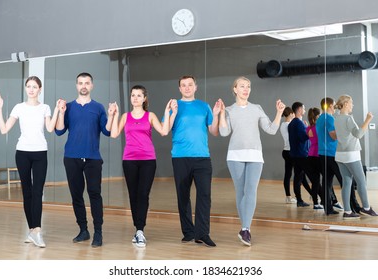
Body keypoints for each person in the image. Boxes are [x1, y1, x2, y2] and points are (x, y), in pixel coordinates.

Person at [0, 76, 60, 248]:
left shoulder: (45, 108)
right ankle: (33, 230)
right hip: (22, 153)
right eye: (28, 86)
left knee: (37, 192)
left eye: (34, 86)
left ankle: (36, 231)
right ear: (26, 88)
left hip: (40, 153)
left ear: (40, 89)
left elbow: (50, 128)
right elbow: (4, 129)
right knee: (27, 192)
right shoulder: (19, 107)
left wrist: (58, 110)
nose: (31, 89)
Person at [219, 76, 285, 246]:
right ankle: (244, 227)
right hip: (235, 156)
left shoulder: (257, 108)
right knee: (241, 192)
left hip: (255, 156)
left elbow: (271, 129)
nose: (246, 89)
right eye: (242, 86)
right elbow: (224, 133)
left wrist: (278, 113)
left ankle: (246, 229)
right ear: (235, 89)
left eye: (248, 86)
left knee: (251, 191)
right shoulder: (228, 110)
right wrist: (220, 114)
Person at [110, 85, 177, 248]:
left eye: (139, 95)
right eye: (133, 95)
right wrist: (115, 115)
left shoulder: (150, 116)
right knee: (133, 195)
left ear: (144, 98)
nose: (135, 98)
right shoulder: (125, 116)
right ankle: (138, 229)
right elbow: (113, 134)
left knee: (143, 194)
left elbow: (164, 131)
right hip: (129, 160)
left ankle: (140, 230)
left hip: (148, 160)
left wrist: (170, 113)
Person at [55, 72, 116, 248]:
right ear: (76, 85)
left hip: (93, 158)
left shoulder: (98, 107)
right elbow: (59, 131)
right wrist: (60, 112)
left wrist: (111, 115)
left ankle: (98, 233)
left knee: (94, 194)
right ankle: (83, 230)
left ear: (92, 85)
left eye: (87, 83)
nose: (84, 85)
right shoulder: (68, 106)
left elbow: (107, 131)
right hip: (71, 157)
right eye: (80, 83)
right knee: (76, 196)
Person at [168, 75, 221, 247]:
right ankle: (189, 232)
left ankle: (202, 233)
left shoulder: (203, 106)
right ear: (179, 88)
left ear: (195, 87)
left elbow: (214, 131)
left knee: (204, 195)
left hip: (202, 157)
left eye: (190, 84)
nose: (187, 87)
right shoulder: (174, 106)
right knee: (183, 196)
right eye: (183, 85)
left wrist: (217, 114)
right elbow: (166, 129)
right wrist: (172, 112)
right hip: (180, 157)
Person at [334, 95, 378, 219]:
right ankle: (366, 208)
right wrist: (368, 120)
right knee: (361, 181)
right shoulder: (348, 118)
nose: (353, 105)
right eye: (351, 103)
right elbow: (358, 134)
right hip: (351, 155)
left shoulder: (336, 118)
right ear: (346, 103)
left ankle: (347, 211)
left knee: (347, 182)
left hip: (340, 155)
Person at [288, 102, 321, 208]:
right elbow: (303, 137)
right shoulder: (298, 123)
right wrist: (308, 131)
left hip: (295, 154)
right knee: (312, 178)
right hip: (302, 155)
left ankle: (300, 200)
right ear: (299, 110)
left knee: (298, 178)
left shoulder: (292, 123)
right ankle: (319, 199)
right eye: (304, 108)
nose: (305, 110)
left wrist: (306, 129)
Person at [316, 97, 344, 215]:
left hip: (322, 153)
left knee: (327, 183)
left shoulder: (320, 118)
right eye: (333, 105)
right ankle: (352, 208)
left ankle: (328, 209)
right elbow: (333, 135)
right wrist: (344, 133)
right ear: (330, 106)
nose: (335, 107)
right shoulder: (330, 118)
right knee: (345, 181)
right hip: (331, 154)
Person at [280, 107, 312, 204]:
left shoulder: (283, 125)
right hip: (292, 152)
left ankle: (289, 197)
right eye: (292, 114)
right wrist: (305, 129)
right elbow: (298, 137)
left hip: (286, 151)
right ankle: (311, 194)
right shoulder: (290, 125)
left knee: (290, 174)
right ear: (290, 114)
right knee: (300, 176)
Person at [306, 107, 324, 209]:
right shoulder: (318, 128)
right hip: (318, 156)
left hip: (310, 156)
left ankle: (316, 203)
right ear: (317, 116)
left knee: (315, 181)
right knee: (320, 181)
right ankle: (321, 202)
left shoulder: (308, 128)